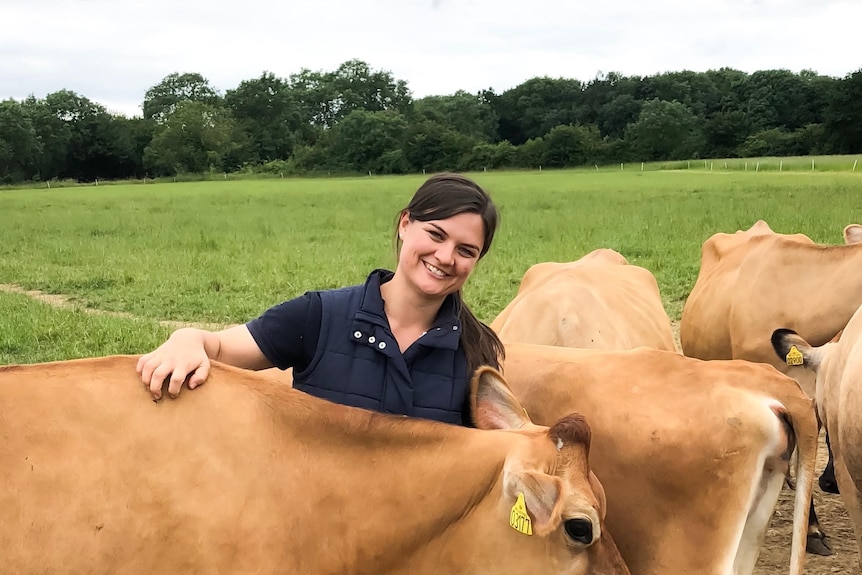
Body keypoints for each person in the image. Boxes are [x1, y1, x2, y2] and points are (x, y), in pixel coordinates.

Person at [136, 172, 505, 426]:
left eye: (465, 250)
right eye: (436, 235)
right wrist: (186, 338)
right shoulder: (319, 316)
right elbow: (218, 348)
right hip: (313, 529)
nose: (445, 257)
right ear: (405, 224)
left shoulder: (476, 351)